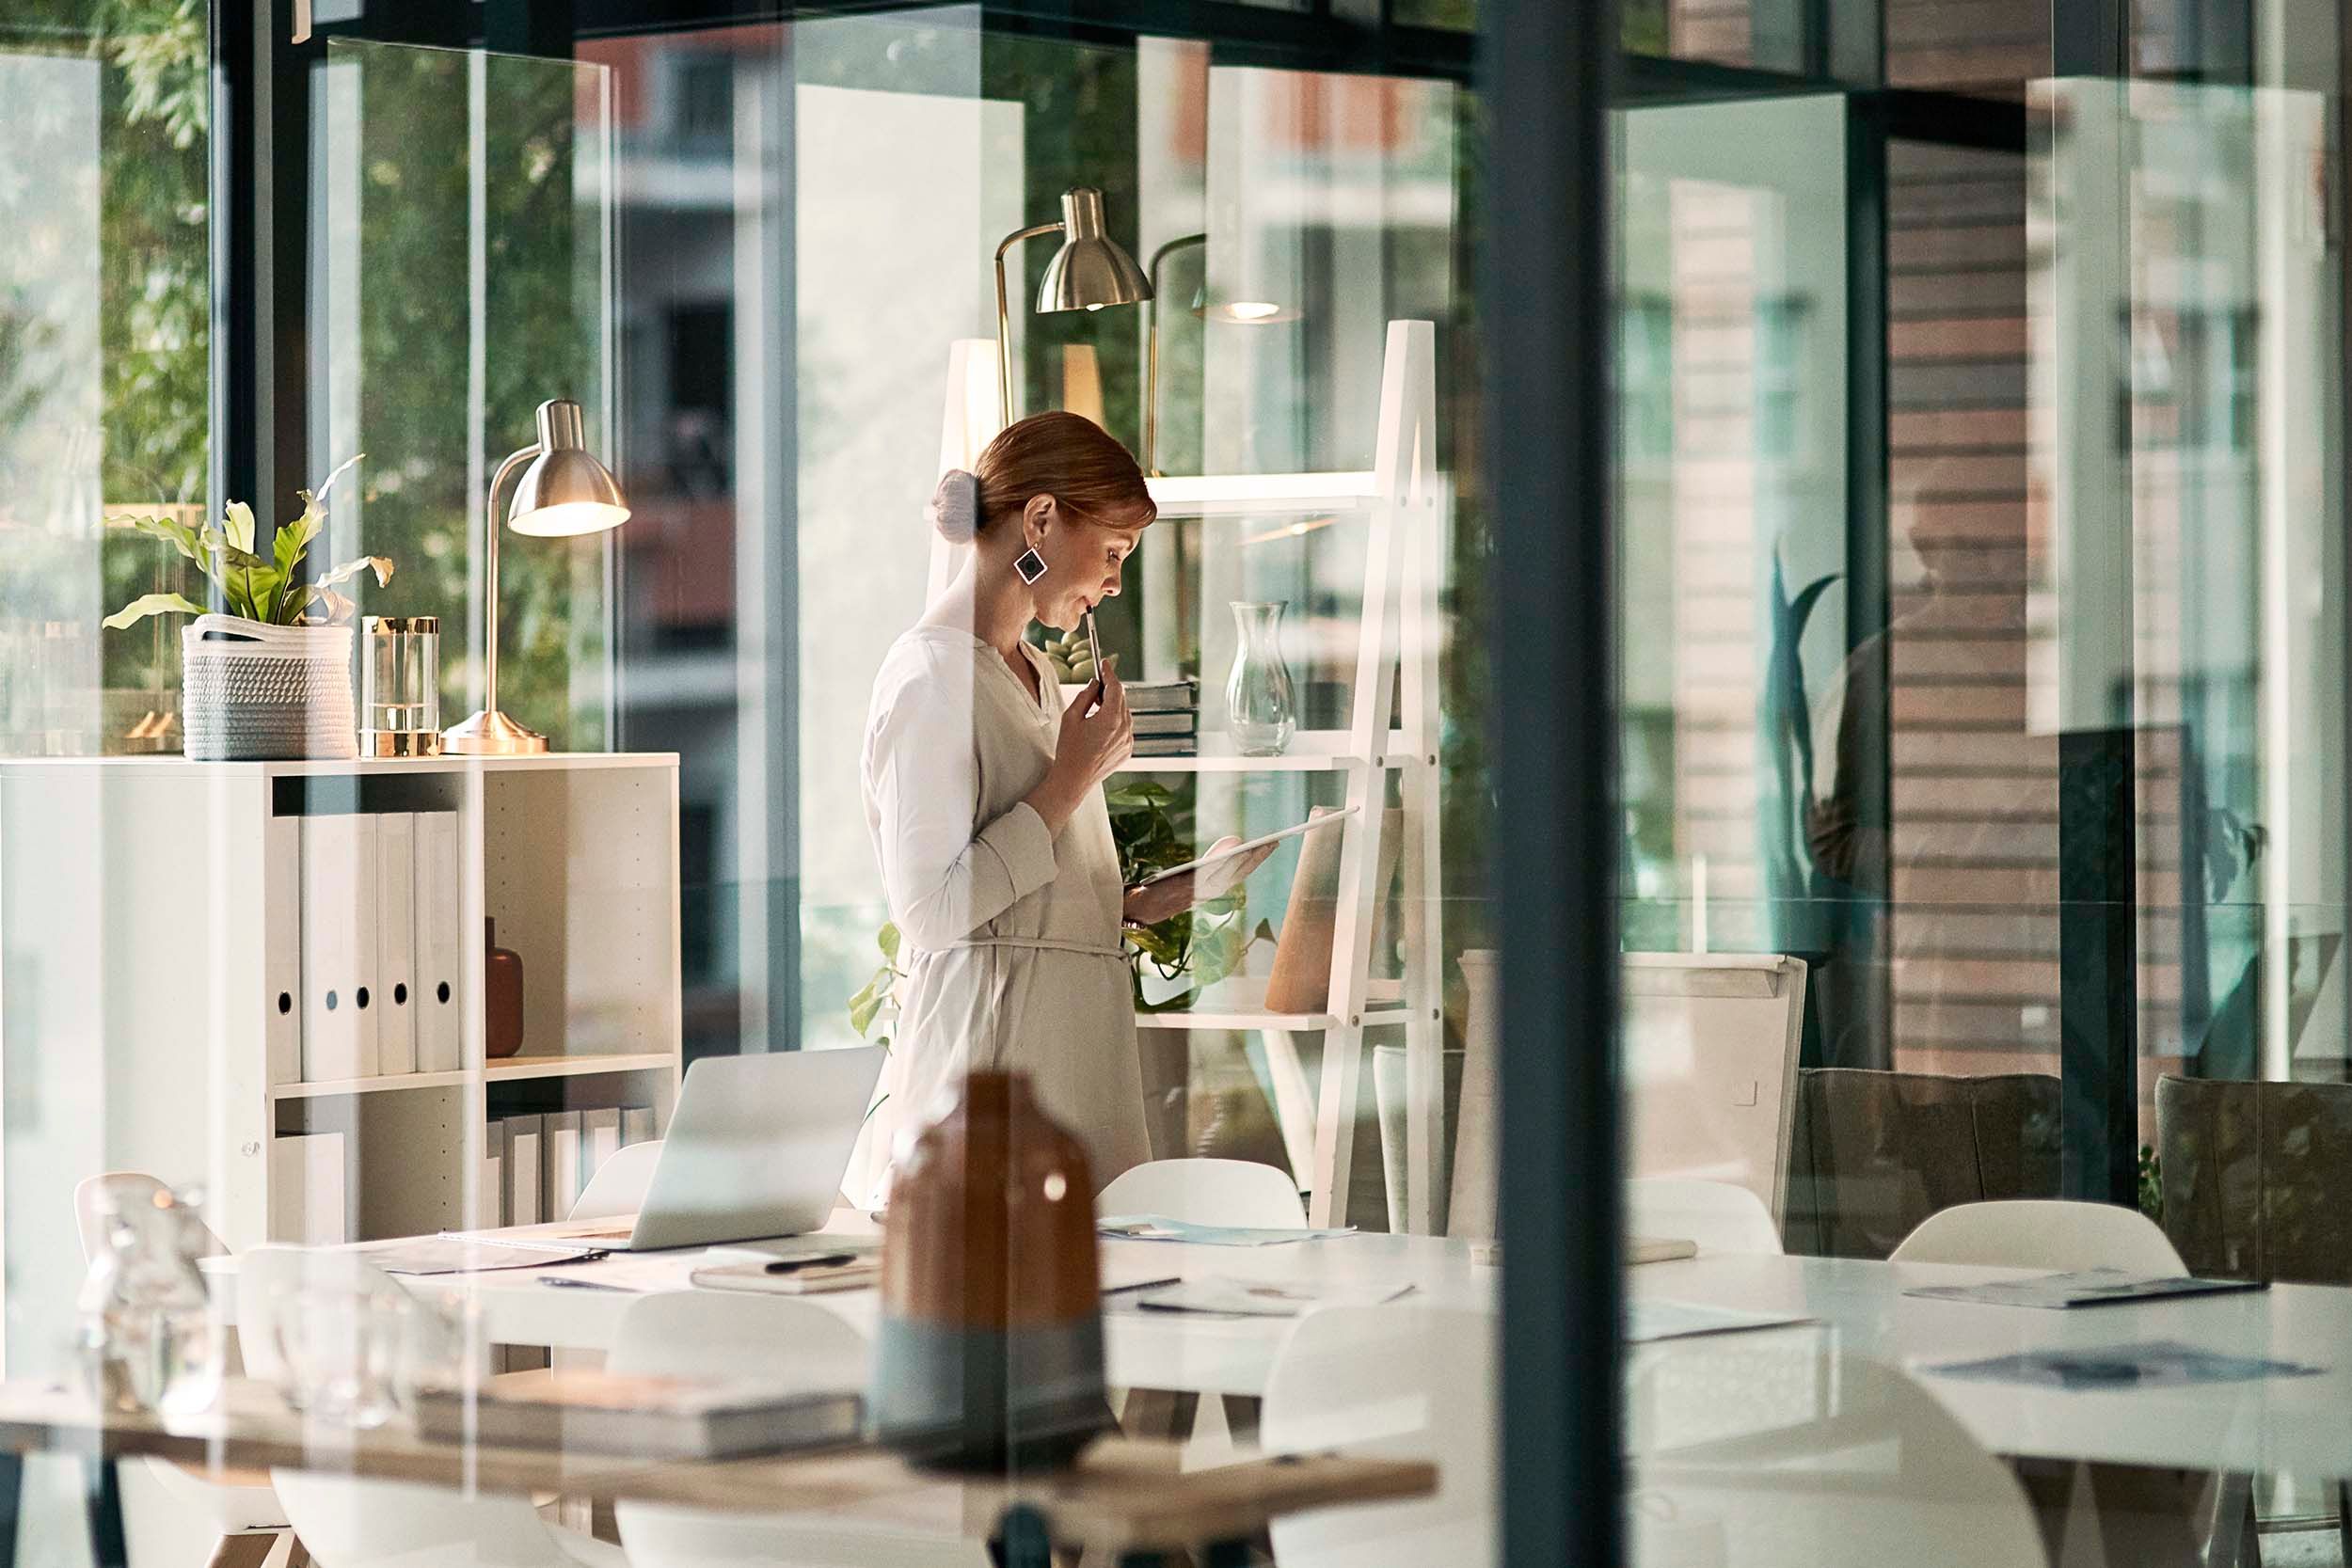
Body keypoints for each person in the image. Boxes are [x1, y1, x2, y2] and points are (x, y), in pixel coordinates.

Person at [862, 411, 1273, 1187]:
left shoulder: (1037, 678)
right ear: (1042, 519)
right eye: (1113, 552)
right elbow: (932, 912)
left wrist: (1139, 901)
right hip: (994, 1074)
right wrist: (1071, 781)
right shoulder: (928, 680)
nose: (1116, 581)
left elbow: (1020, 885)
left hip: (1073, 1058)